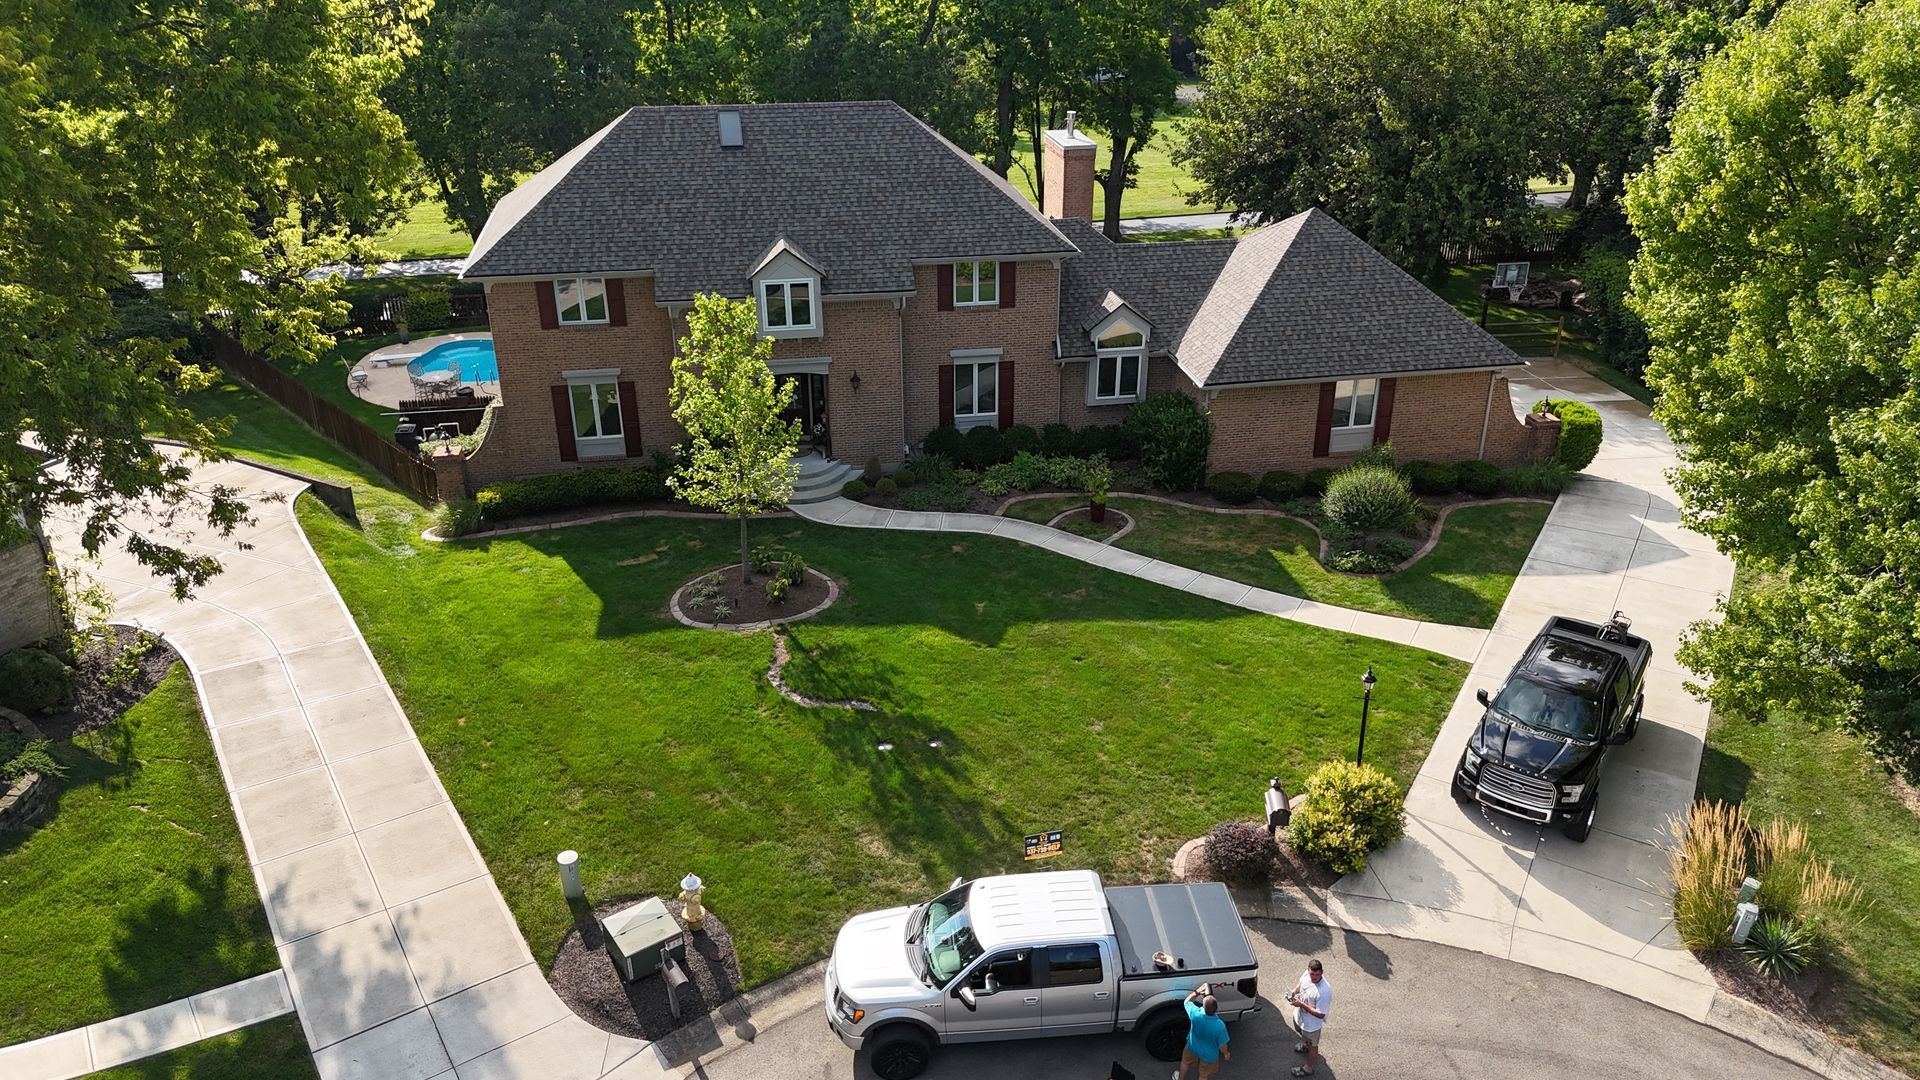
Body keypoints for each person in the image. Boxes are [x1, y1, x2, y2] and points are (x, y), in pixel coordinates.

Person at [1284, 959, 1332, 1077]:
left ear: (1322, 972)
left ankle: (1307, 1069)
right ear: (1308, 970)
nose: (1314, 977)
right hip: (1300, 1018)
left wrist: (1301, 1004)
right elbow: (1301, 984)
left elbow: (1321, 1014)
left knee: (1313, 1047)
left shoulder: (1324, 991)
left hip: (1312, 1027)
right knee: (1303, 1035)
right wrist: (1293, 992)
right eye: (1312, 974)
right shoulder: (1306, 974)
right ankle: (1306, 1046)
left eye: (1317, 974)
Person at [1174, 982, 1230, 1080]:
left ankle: (1180, 1078)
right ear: (1216, 1009)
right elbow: (1222, 1045)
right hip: (1208, 1055)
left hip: (1191, 1047)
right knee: (1203, 1075)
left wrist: (1197, 992)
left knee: (1185, 1062)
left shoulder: (1195, 1014)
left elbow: (1186, 1002)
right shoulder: (1219, 1026)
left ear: (1203, 1006)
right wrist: (1226, 1054)